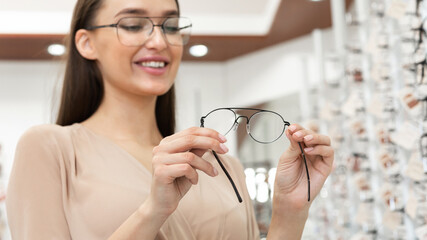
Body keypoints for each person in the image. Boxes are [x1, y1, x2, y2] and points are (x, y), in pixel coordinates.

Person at [6, 0, 334, 239]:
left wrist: (290, 211)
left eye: (172, 26)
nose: (160, 42)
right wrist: (152, 211)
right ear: (86, 43)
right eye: (133, 25)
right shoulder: (49, 149)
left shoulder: (221, 166)